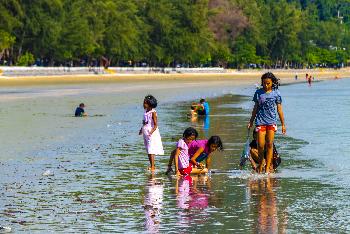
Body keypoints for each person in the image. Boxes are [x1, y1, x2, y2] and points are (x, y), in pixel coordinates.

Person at [248, 72, 286, 174]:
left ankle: (267, 168)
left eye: (268, 83)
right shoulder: (258, 93)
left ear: (272, 82)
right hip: (260, 122)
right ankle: (261, 164)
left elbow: (279, 110)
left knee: (269, 144)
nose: (266, 85)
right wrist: (251, 121)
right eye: (264, 83)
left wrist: (283, 124)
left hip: (271, 122)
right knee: (260, 145)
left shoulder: (276, 93)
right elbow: (255, 108)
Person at [139, 95, 164, 171]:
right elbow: (144, 123)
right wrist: (141, 129)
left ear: (150, 104)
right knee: (148, 149)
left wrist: (151, 132)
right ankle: (151, 165)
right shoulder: (146, 112)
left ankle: (153, 166)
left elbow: (156, 125)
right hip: (145, 131)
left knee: (151, 149)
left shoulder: (153, 112)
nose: (144, 104)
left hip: (151, 132)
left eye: (145, 103)